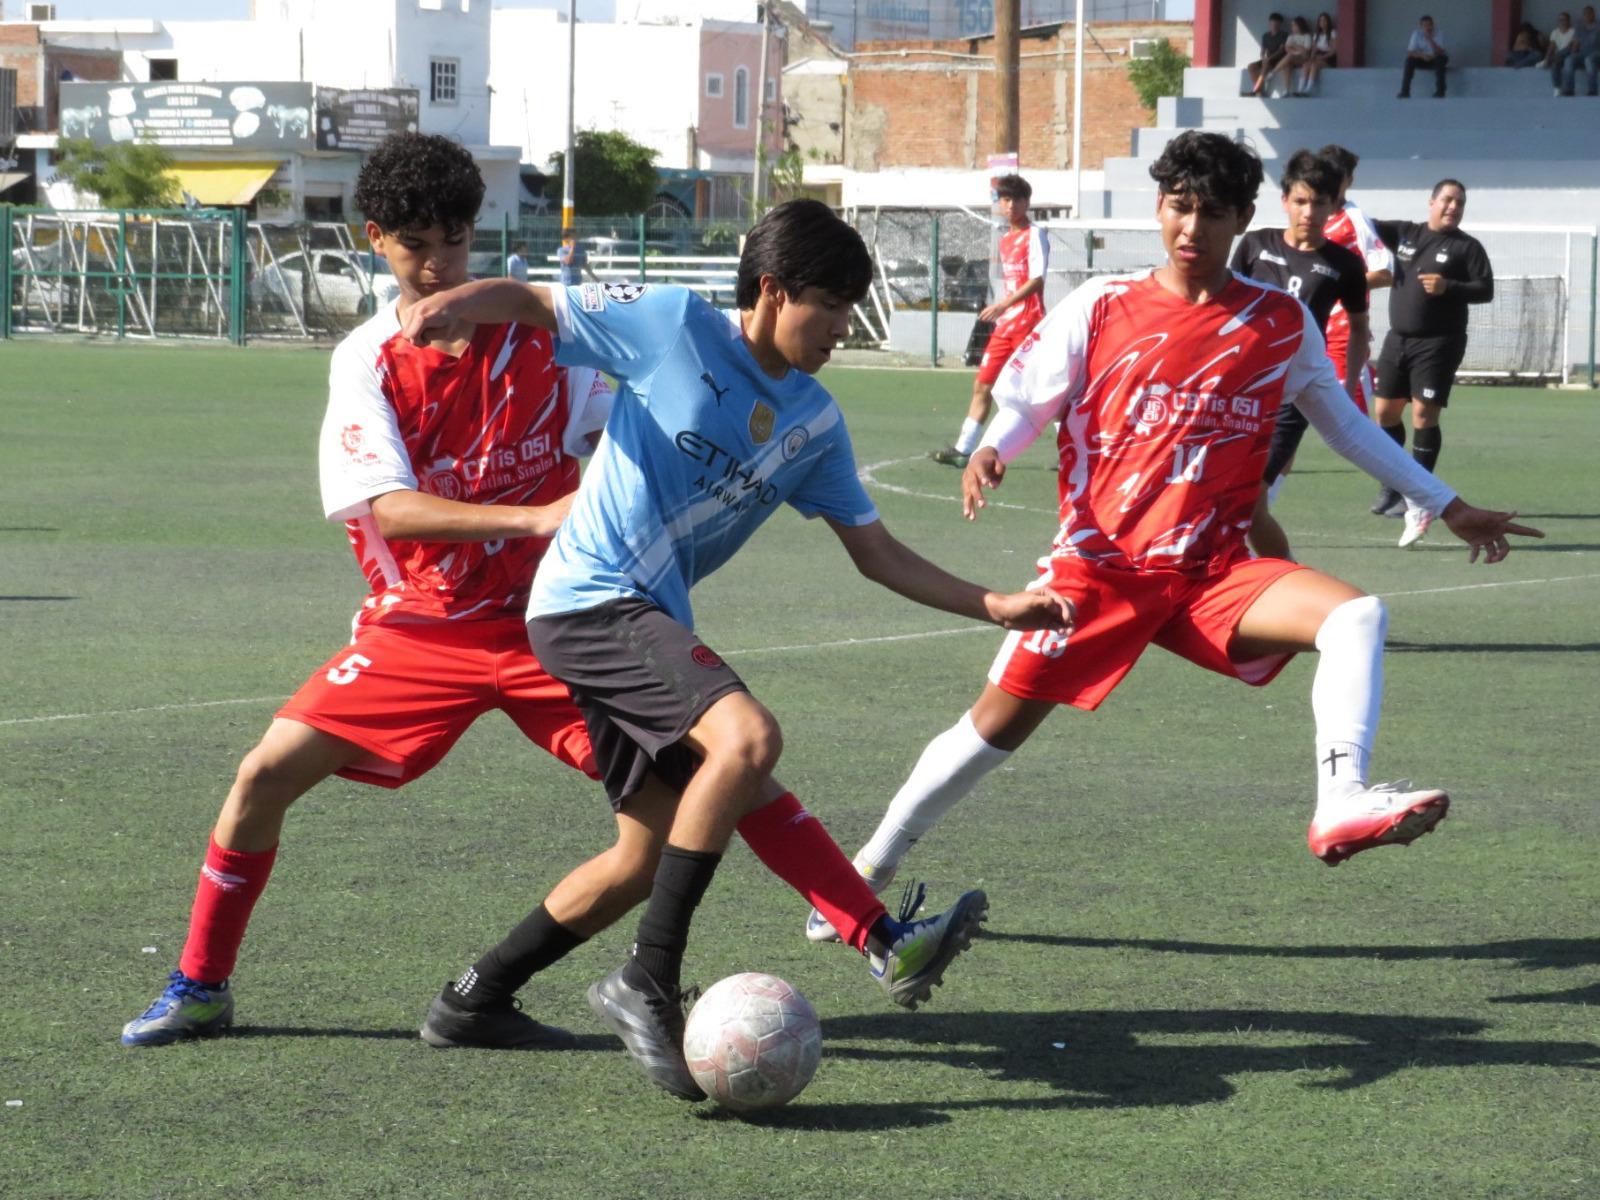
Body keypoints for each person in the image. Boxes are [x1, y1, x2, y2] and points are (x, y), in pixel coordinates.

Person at [399, 199, 1073, 1100]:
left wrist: (992, 603)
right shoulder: (673, 325)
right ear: (770, 290)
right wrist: (454, 305)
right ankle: (650, 977)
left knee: (647, 854)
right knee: (746, 738)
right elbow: (535, 304)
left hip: (645, 617)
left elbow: (874, 553)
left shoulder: (815, 423)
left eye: (849, 309)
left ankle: (474, 999)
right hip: (589, 599)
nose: (841, 328)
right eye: (827, 305)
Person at [803, 131, 1541, 944]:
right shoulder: (1103, 305)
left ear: (1242, 220)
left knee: (1356, 615)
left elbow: (1350, 431)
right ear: (1159, 208)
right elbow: (1031, 400)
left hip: (1212, 575)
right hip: (1098, 571)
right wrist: (992, 448)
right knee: (990, 732)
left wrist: (1447, 501)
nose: (1191, 228)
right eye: (1179, 208)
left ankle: (1340, 799)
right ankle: (867, 867)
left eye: (1212, 213)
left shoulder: (1278, 321)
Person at [120, 132, 621, 1049]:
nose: (439, 265)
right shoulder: (366, 358)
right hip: (422, 631)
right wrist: (537, 517)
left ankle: (857, 936)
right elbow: (390, 513)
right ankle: (200, 984)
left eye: (457, 241)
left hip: (555, 625)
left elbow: (609, 439)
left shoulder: (547, 332)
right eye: (416, 244)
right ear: (374, 239)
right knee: (260, 777)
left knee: (702, 786)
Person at [1229, 150, 1370, 561]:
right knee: (1233, 493)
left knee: (1253, 498)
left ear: (1332, 206)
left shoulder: (1344, 264)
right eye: (1301, 200)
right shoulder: (1256, 245)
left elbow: (1360, 327)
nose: (1309, 211)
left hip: (1292, 393)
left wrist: (1346, 383)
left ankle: (1283, 581)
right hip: (1240, 387)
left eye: (1319, 202)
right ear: (1285, 200)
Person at [1369, 180, 1496, 548]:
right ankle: (1392, 485)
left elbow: (1485, 289)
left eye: (1460, 202)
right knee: (1385, 414)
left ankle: (1420, 498)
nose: (1453, 207)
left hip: (1440, 342)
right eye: (1447, 200)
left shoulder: (1467, 247)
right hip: (1398, 339)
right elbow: (1366, 224)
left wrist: (1449, 287)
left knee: (1424, 416)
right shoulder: (1406, 234)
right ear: (1432, 202)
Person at [931, 173, 1049, 468]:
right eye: (1006, 200)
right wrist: (1002, 309)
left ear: (1027, 202)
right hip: (1006, 324)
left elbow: (1036, 279)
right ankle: (963, 449)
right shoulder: (1006, 239)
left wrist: (1003, 305)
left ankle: (1071, 449)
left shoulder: (1034, 234)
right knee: (982, 385)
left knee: (1043, 390)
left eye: (1017, 200)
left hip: (1030, 322)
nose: (1011, 206)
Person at [1399, 15, 1449, 98]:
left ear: (1433, 25)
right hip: (1422, 59)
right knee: (1409, 60)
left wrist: (1430, 39)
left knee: (1441, 59)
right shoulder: (1416, 34)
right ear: (1421, 26)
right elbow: (1410, 52)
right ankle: (1405, 91)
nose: (1428, 27)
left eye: (1430, 25)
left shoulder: (1439, 33)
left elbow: (1441, 52)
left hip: (1435, 59)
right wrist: (1422, 56)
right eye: (1425, 25)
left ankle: (1440, 91)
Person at [1558, 6, 1600, 96]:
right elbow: (1576, 42)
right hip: (1582, 53)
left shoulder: (1598, 27)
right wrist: (1573, 54)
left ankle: (1592, 90)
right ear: (1583, 16)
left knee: (1589, 60)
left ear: (1594, 14)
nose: (1588, 16)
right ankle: (1569, 90)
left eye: (1590, 13)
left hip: (1596, 53)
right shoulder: (1579, 27)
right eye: (1586, 14)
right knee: (1569, 60)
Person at [1247, 13, 1289, 96]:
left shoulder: (1284, 35)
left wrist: (1269, 59)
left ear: (1280, 24)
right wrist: (1263, 57)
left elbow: (1281, 50)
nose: (1274, 26)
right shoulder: (1265, 36)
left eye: (1277, 24)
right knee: (1251, 66)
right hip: (1268, 59)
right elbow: (1263, 50)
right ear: (1269, 23)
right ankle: (1259, 91)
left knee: (1266, 64)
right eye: (1272, 23)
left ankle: (1256, 90)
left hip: (1279, 60)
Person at [1274, 17, 1315, 98]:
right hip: (1294, 58)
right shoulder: (1291, 37)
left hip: (1304, 59)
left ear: (1300, 26)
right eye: (1292, 25)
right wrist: (1297, 50)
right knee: (1287, 66)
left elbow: (1306, 50)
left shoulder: (1307, 36)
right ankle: (1286, 90)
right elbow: (1287, 48)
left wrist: (1294, 46)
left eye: (1294, 25)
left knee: (1290, 56)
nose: (1292, 27)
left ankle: (1274, 72)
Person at [1300, 12, 1338, 93]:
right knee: (1306, 65)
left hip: (1328, 57)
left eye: (1324, 20)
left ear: (1328, 22)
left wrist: (1322, 57)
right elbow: (1314, 49)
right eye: (1320, 20)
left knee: (1315, 65)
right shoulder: (1316, 34)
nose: (1322, 22)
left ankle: (1308, 89)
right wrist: (1311, 58)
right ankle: (1300, 88)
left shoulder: (1332, 33)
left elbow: (1334, 50)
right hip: (1317, 56)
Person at [1544, 12, 1576, 92]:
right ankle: (1557, 87)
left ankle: (1551, 59)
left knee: (1567, 50)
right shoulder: (1555, 32)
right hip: (1559, 57)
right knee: (1555, 64)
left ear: (1569, 21)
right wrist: (1547, 57)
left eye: (1564, 19)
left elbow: (1572, 47)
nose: (1562, 21)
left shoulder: (1573, 31)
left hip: (1569, 54)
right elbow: (1551, 47)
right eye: (1560, 20)